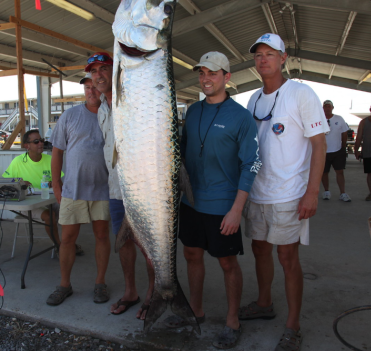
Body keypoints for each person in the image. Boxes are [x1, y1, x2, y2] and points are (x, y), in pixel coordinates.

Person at [165, 51, 260, 350]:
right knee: (191, 255)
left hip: (223, 204)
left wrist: (236, 210)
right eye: (202, 72)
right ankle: (196, 310)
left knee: (227, 262)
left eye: (213, 73)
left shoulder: (241, 116)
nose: (206, 78)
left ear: (226, 77)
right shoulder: (192, 111)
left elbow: (251, 164)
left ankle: (233, 320)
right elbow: (177, 151)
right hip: (191, 202)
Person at [239, 33, 328, 351]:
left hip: (290, 193)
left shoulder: (301, 94)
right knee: (259, 249)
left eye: (270, 53)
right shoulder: (252, 99)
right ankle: (264, 303)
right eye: (258, 55)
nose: (263, 59)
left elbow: (320, 145)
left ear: (283, 58)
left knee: (287, 256)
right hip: (258, 192)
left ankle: (293, 325)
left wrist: (312, 192)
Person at [88, 52, 156, 319]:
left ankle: (154, 293)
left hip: (142, 188)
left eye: (104, 68)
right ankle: (131, 292)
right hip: (116, 189)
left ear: (116, 71)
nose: (98, 75)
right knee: (123, 241)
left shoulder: (131, 99)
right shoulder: (102, 108)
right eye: (94, 71)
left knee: (149, 244)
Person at [47, 72, 111, 306]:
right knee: (67, 239)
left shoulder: (112, 114)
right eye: (87, 87)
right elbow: (57, 152)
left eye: (94, 86)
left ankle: (100, 283)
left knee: (102, 236)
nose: (91, 91)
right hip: (72, 189)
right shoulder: (70, 115)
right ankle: (64, 285)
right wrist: (56, 183)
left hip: (104, 190)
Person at [2, 129, 61, 247]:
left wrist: (54, 182)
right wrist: (20, 183)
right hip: (28, 202)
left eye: (42, 140)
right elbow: (5, 183)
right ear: (27, 146)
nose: (40, 143)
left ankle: (68, 243)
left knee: (70, 212)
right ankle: (60, 246)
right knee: (50, 216)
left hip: (49, 199)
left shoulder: (49, 159)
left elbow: (61, 183)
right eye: (36, 141)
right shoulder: (18, 162)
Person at [321, 100, 351, 202]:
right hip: (323, 151)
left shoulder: (339, 118)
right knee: (324, 172)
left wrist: (343, 147)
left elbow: (344, 132)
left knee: (340, 172)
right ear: (323, 108)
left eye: (329, 106)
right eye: (325, 106)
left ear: (332, 107)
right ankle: (326, 191)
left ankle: (343, 193)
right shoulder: (319, 119)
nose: (327, 108)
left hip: (337, 150)